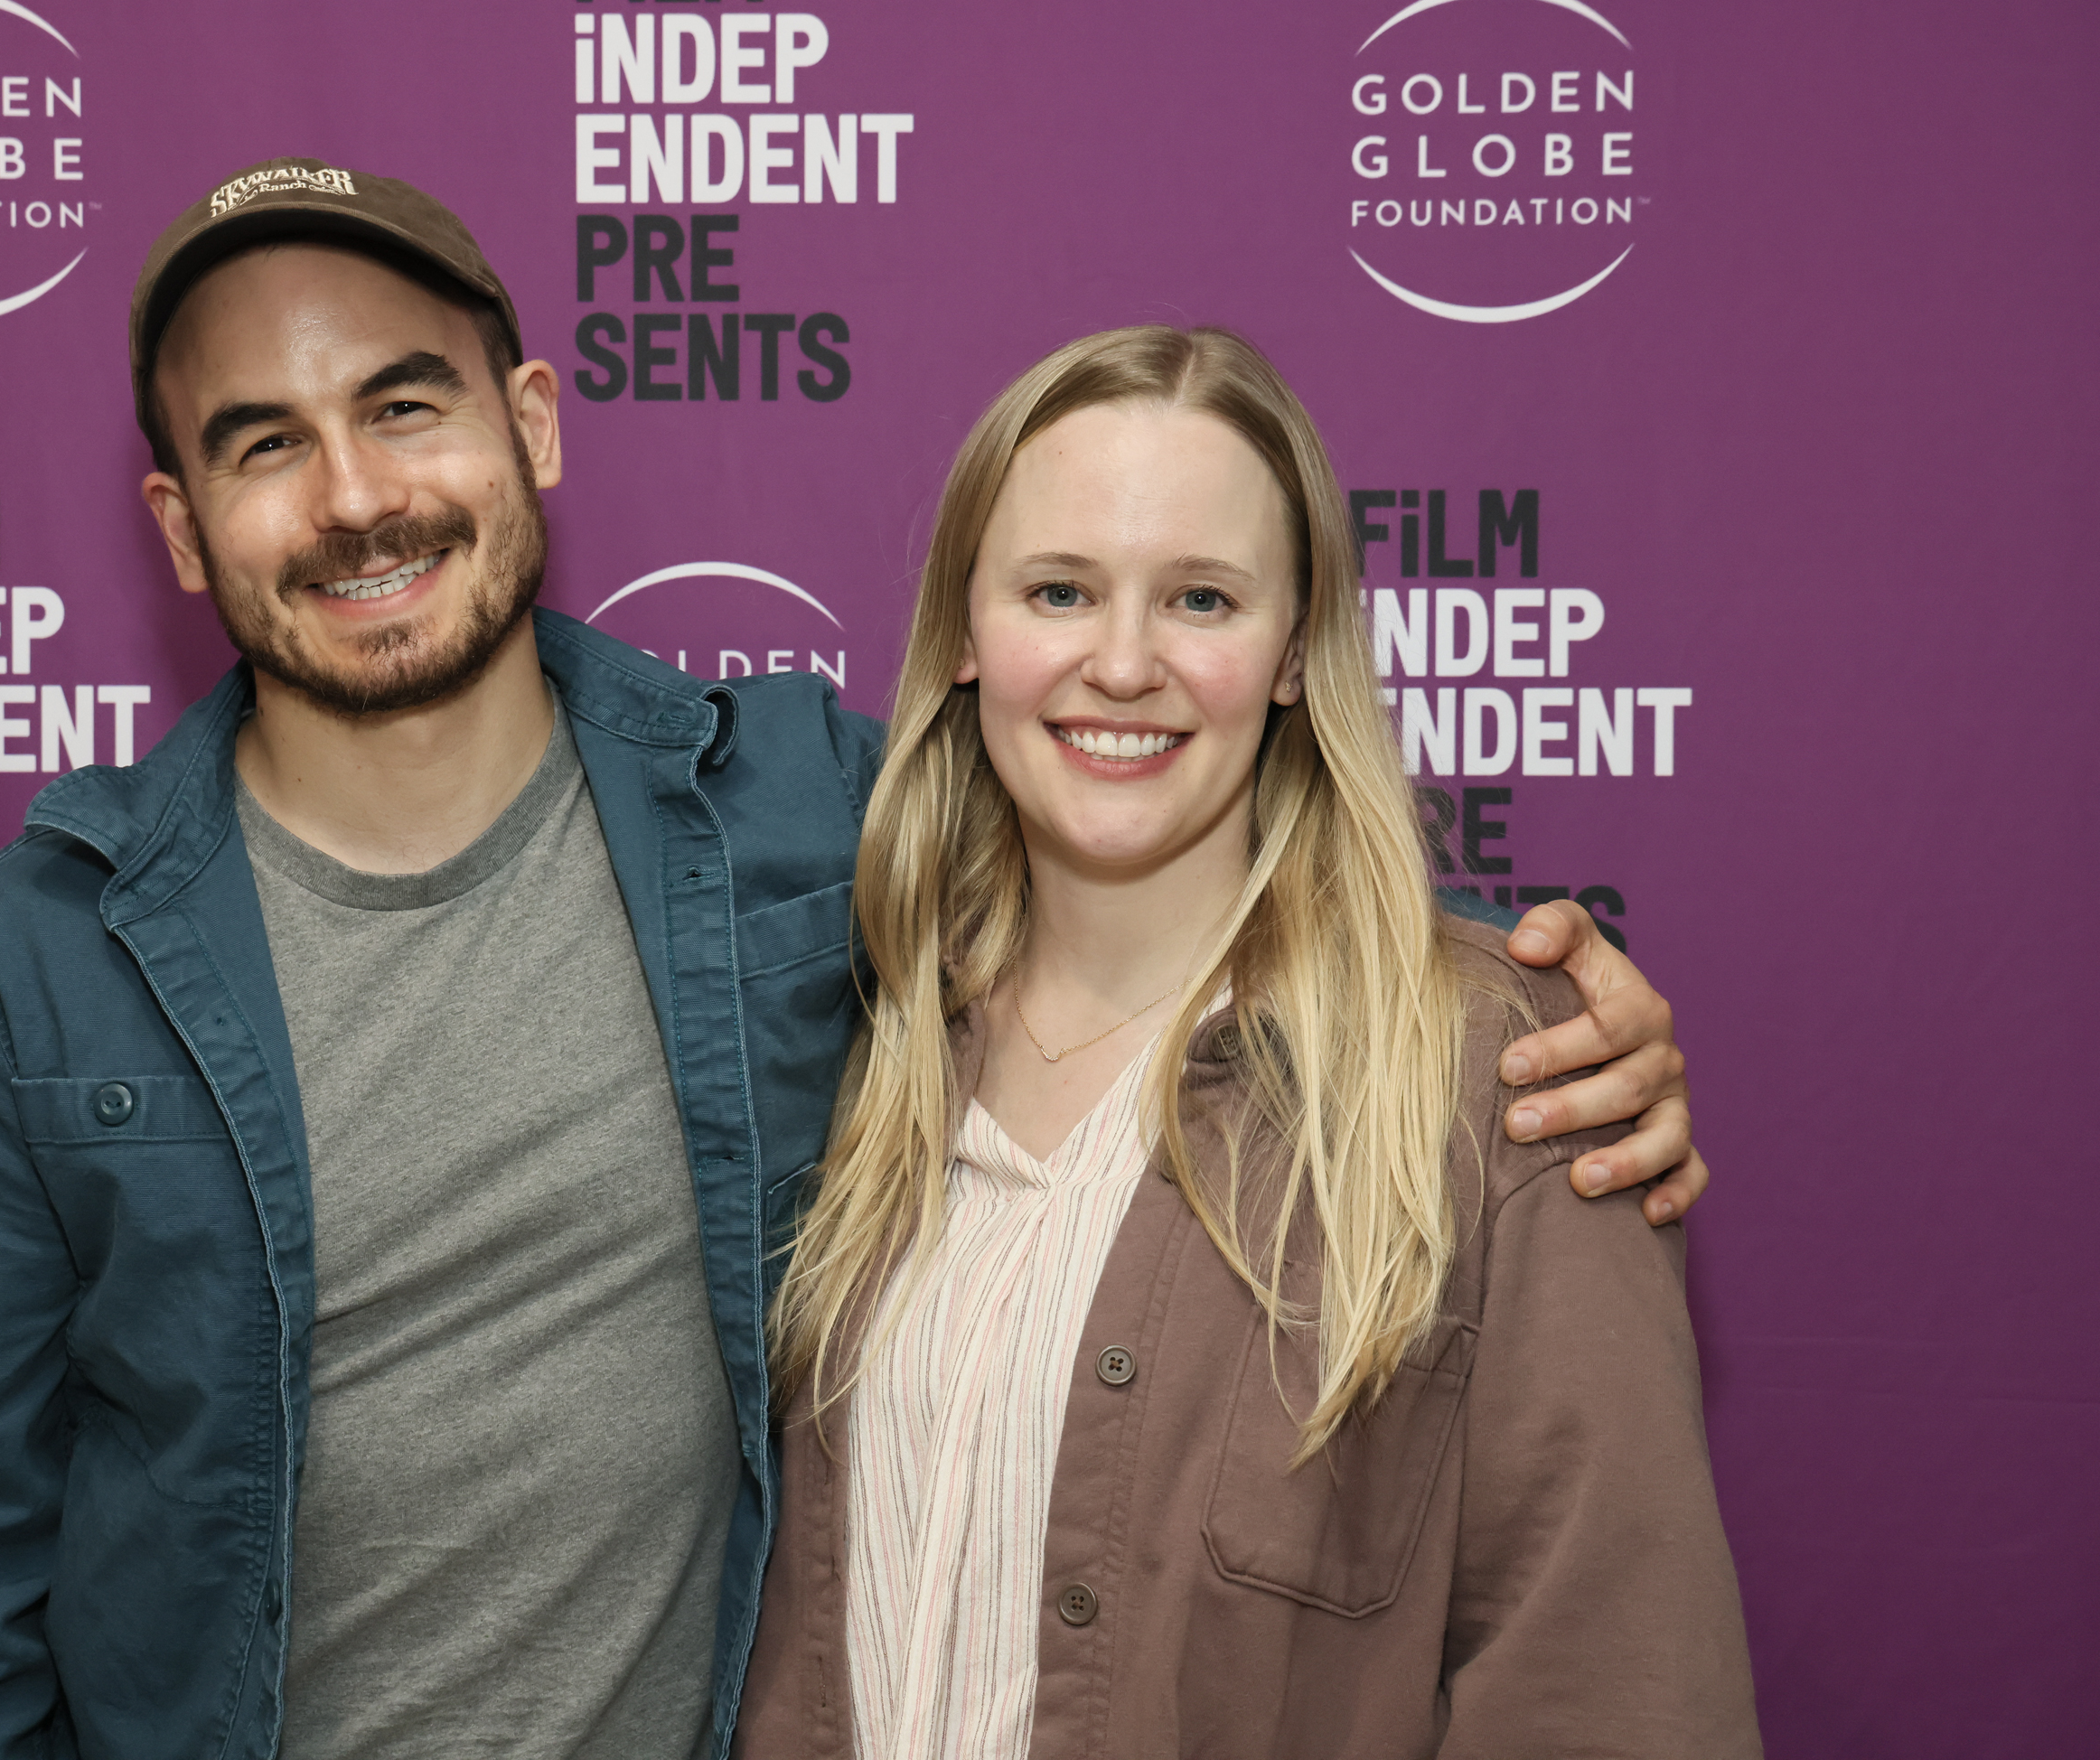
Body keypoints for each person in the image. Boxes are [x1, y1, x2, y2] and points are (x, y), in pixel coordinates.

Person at [0, 160, 1710, 1760]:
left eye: (406, 405)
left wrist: (1513, 1020)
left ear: (527, 422)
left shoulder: (795, 820)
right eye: (262, 444)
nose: (355, 497)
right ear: (178, 524)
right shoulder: (42, 956)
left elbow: (1145, 828)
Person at [738, 326, 1759, 1758]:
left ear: (1293, 652)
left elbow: (1608, 1687)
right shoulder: (838, 1044)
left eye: (1202, 599)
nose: (1124, 662)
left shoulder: (1504, 1080)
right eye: (1058, 591)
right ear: (968, 634)